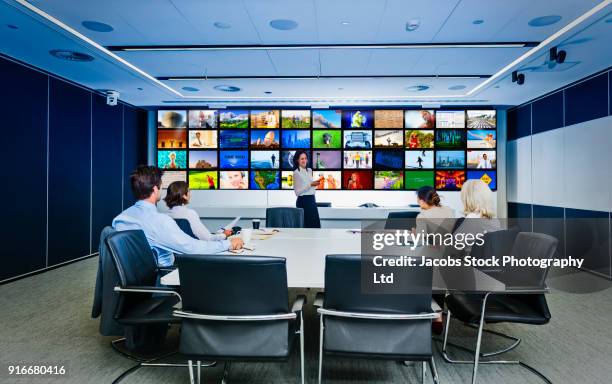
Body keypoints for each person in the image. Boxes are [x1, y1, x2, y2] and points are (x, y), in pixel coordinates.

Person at [112, 166, 243, 267]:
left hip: (136, 282)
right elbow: (191, 248)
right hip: (162, 278)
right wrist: (227, 244)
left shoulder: (120, 219)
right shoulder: (160, 221)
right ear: (156, 189)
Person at [164, 181, 233, 241]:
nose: (190, 194)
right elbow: (208, 238)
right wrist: (224, 235)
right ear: (184, 196)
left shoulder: (165, 216)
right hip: (193, 252)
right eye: (189, 191)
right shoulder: (190, 214)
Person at [292, 150, 321, 228]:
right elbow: (297, 192)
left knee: (315, 227)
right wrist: (311, 184)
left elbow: (309, 187)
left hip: (312, 200)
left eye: (305, 158)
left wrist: (315, 184)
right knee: (305, 227)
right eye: (302, 159)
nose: (304, 160)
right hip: (303, 202)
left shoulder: (310, 170)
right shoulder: (296, 173)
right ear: (297, 160)